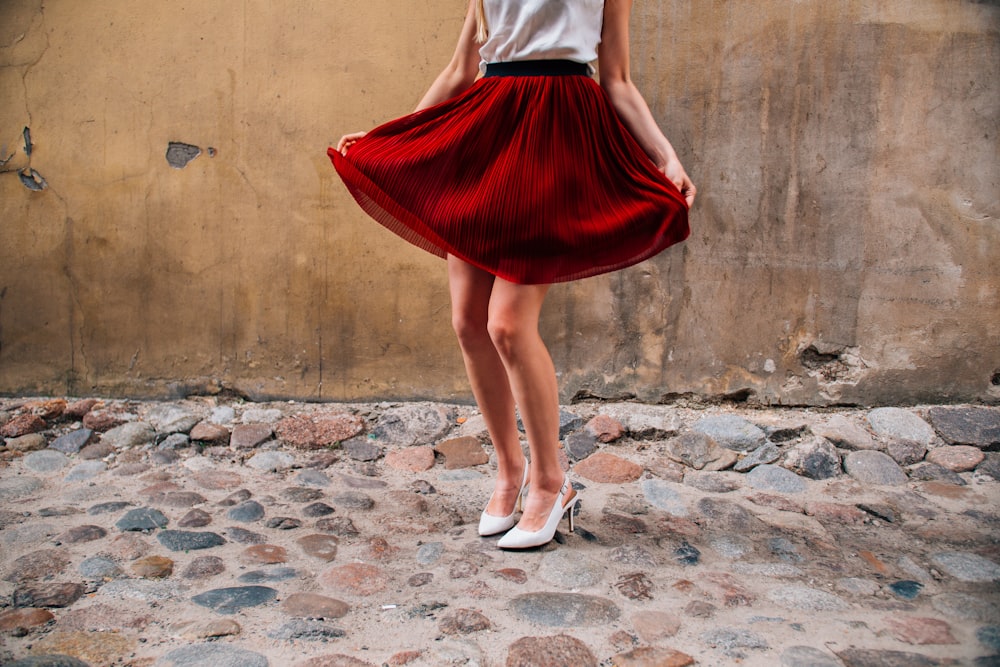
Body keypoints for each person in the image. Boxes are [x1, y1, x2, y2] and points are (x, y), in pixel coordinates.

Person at [330, 0, 695, 549]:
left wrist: (665, 155)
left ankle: (552, 481)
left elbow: (617, 79)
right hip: (484, 132)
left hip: (555, 136)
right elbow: (459, 71)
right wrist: (392, 138)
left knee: (507, 324)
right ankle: (509, 472)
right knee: (468, 322)